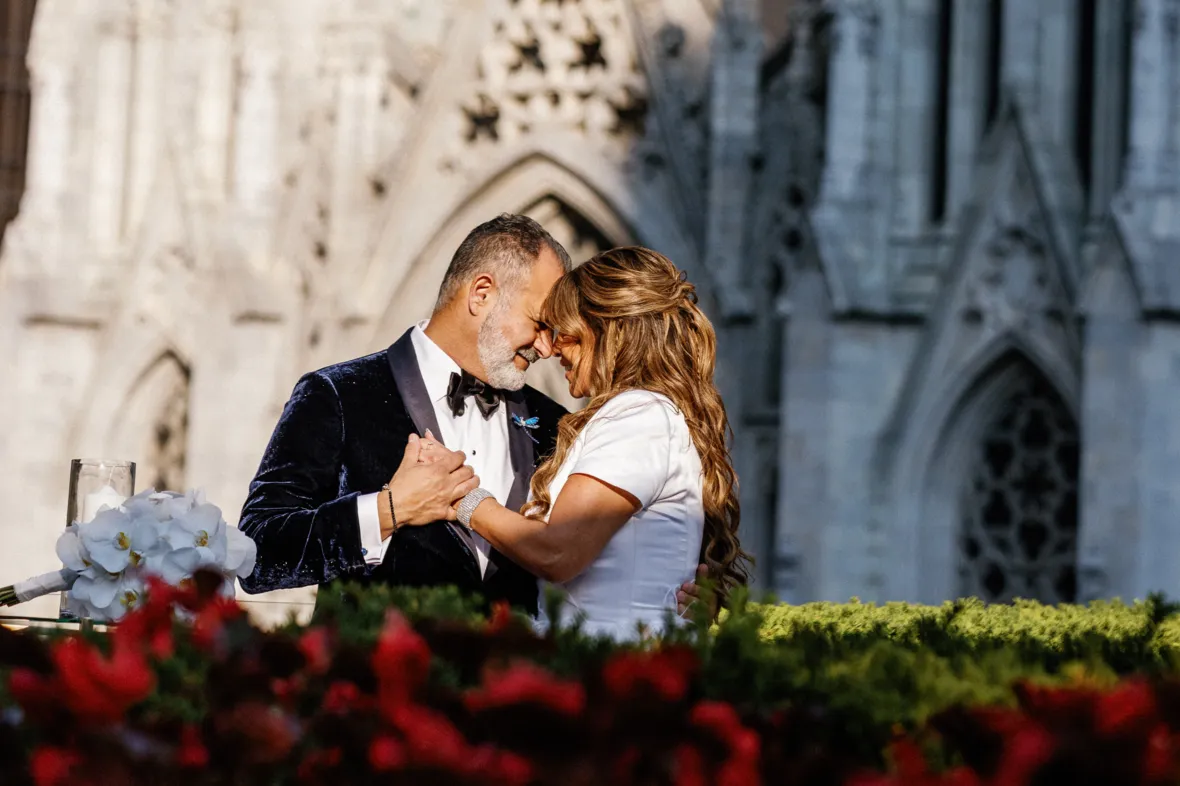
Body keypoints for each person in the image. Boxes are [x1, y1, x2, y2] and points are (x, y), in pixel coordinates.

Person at [238, 215, 705, 617]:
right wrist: (387, 510)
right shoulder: (338, 395)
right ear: (481, 294)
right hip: (374, 709)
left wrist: (675, 596)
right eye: (540, 323)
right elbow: (257, 556)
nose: (547, 347)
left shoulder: (557, 424)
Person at [408, 247, 751, 638]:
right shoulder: (647, 415)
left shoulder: (638, 416)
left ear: (609, 330)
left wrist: (460, 497)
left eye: (564, 333)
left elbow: (558, 552)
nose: (552, 349)